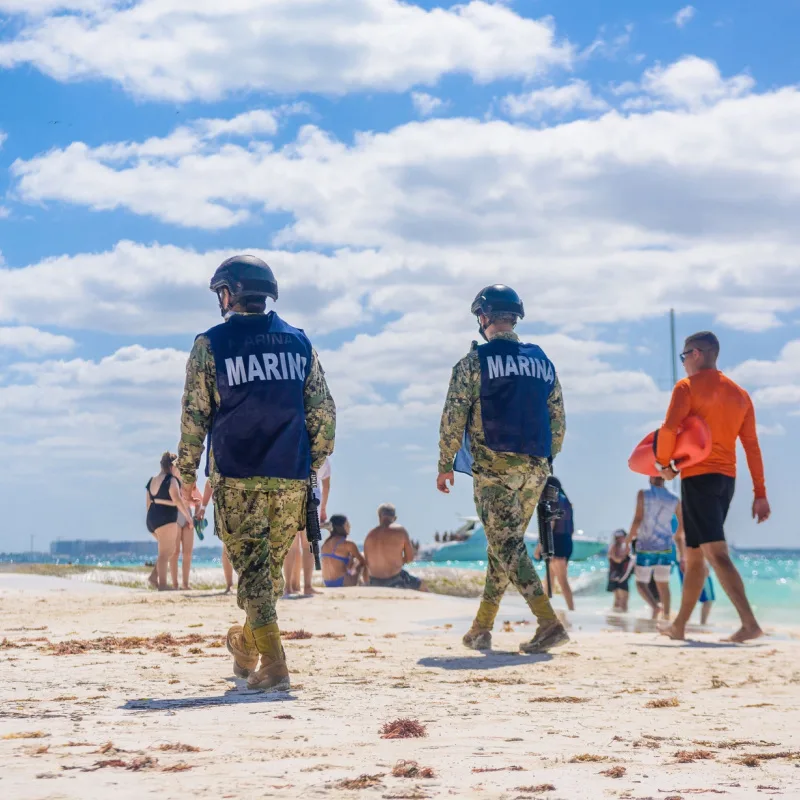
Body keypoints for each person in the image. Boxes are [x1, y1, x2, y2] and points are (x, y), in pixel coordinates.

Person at [177, 254, 336, 692]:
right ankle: (245, 647)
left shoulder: (210, 345)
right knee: (263, 576)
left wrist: (187, 474)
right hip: (290, 477)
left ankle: (275, 662)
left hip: (238, 475)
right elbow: (324, 414)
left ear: (228, 294)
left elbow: (196, 415)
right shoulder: (299, 343)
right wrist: (309, 464)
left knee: (254, 572)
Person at [437, 285, 569, 654]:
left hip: (494, 467)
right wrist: (544, 461)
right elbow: (557, 419)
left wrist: (445, 464)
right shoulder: (542, 361)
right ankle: (481, 628)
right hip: (536, 467)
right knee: (503, 546)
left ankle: (548, 621)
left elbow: (453, 418)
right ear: (515, 318)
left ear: (483, 318)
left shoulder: (474, 362)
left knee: (505, 543)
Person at [656, 331, 770, 643]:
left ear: (696, 354)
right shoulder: (740, 395)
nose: (683, 364)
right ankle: (679, 625)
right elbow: (752, 447)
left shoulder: (686, 388)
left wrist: (664, 465)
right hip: (725, 480)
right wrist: (760, 493)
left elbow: (668, 429)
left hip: (698, 479)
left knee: (716, 552)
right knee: (694, 556)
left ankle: (749, 623)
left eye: (684, 357)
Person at [626, 477, 683, 620]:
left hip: (646, 545)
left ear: (651, 477)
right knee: (663, 584)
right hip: (665, 546)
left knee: (641, 583)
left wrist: (628, 540)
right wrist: (675, 539)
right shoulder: (674, 498)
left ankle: (655, 607)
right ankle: (667, 615)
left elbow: (638, 518)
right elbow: (683, 523)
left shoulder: (643, 494)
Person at [146, 452, 195, 591]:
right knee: (165, 553)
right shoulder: (171, 480)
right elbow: (177, 500)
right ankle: (162, 585)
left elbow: (148, 503)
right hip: (166, 517)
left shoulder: (151, 480)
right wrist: (188, 517)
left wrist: (151, 521)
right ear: (172, 466)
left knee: (169, 549)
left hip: (152, 518)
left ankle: (154, 577)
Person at [283, 455, 331, 596]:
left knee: (291, 546)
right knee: (308, 545)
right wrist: (323, 509)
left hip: (290, 498)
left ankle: (289, 587)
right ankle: (307, 587)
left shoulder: (292, 450)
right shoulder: (321, 456)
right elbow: (326, 486)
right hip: (311, 500)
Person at [533, 476, 575, 611]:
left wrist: (539, 547)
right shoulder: (566, 501)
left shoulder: (554, 500)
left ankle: (571, 610)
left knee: (562, 581)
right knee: (549, 578)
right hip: (567, 541)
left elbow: (550, 525)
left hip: (557, 541)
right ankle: (546, 610)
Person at [364, 503, 426, 591]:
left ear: (379, 517)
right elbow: (410, 558)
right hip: (395, 579)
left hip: (374, 581)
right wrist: (397, 563)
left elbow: (367, 562)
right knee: (421, 585)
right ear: (395, 518)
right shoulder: (400, 530)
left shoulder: (369, 535)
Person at [195, 482, 235, 593]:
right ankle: (229, 584)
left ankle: (237, 584)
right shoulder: (215, 464)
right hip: (224, 505)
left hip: (243, 502)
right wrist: (203, 508)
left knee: (241, 545)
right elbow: (209, 481)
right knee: (227, 545)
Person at [172, 482, 203, 590]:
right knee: (175, 552)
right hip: (175, 516)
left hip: (188, 517)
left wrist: (195, 518)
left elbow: (199, 501)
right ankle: (175, 584)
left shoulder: (190, 484)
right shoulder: (173, 482)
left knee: (188, 553)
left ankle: (185, 584)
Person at [321, 514, 365, 587]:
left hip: (327, 582)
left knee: (350, 560)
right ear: (341, 527)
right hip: (342, 582)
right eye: (347, 524)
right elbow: (362, 561)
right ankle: (367, 583)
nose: (350, 526)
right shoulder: (348, 544)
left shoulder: (325, 544)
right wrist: (353, 560)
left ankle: (362, 583)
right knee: (363, 556)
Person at [607, 529, 633, 612]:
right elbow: (615, 559)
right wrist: (624, 558)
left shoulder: (623, 546)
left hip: (616, 575)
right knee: (623, 598)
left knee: (618, 598)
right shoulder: (615, 547)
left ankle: (616, 617)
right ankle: (621, 618)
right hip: (619, 576)